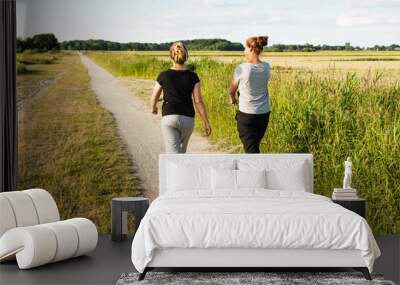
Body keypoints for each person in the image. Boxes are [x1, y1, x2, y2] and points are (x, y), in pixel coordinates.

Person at [151, 41, 211, 153]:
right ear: (186, 56)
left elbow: (154, 97)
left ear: (171, 57)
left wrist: (154, 107)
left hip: (169, 117)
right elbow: (198, 101)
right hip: (188, 119)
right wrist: (206, 121)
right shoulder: (193, 76)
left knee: (174, 156)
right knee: (181, 154)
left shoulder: (163, 75)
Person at [229, 36, 271, 153]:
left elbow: (232, 89)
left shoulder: (242, 68)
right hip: (263, 114)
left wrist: (232, 98)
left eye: (245, 48)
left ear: (251, 49)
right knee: (254, 146)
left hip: (247, 115)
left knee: (251, 150)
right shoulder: (267, 67)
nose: (244, 51)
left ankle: (258, 170)